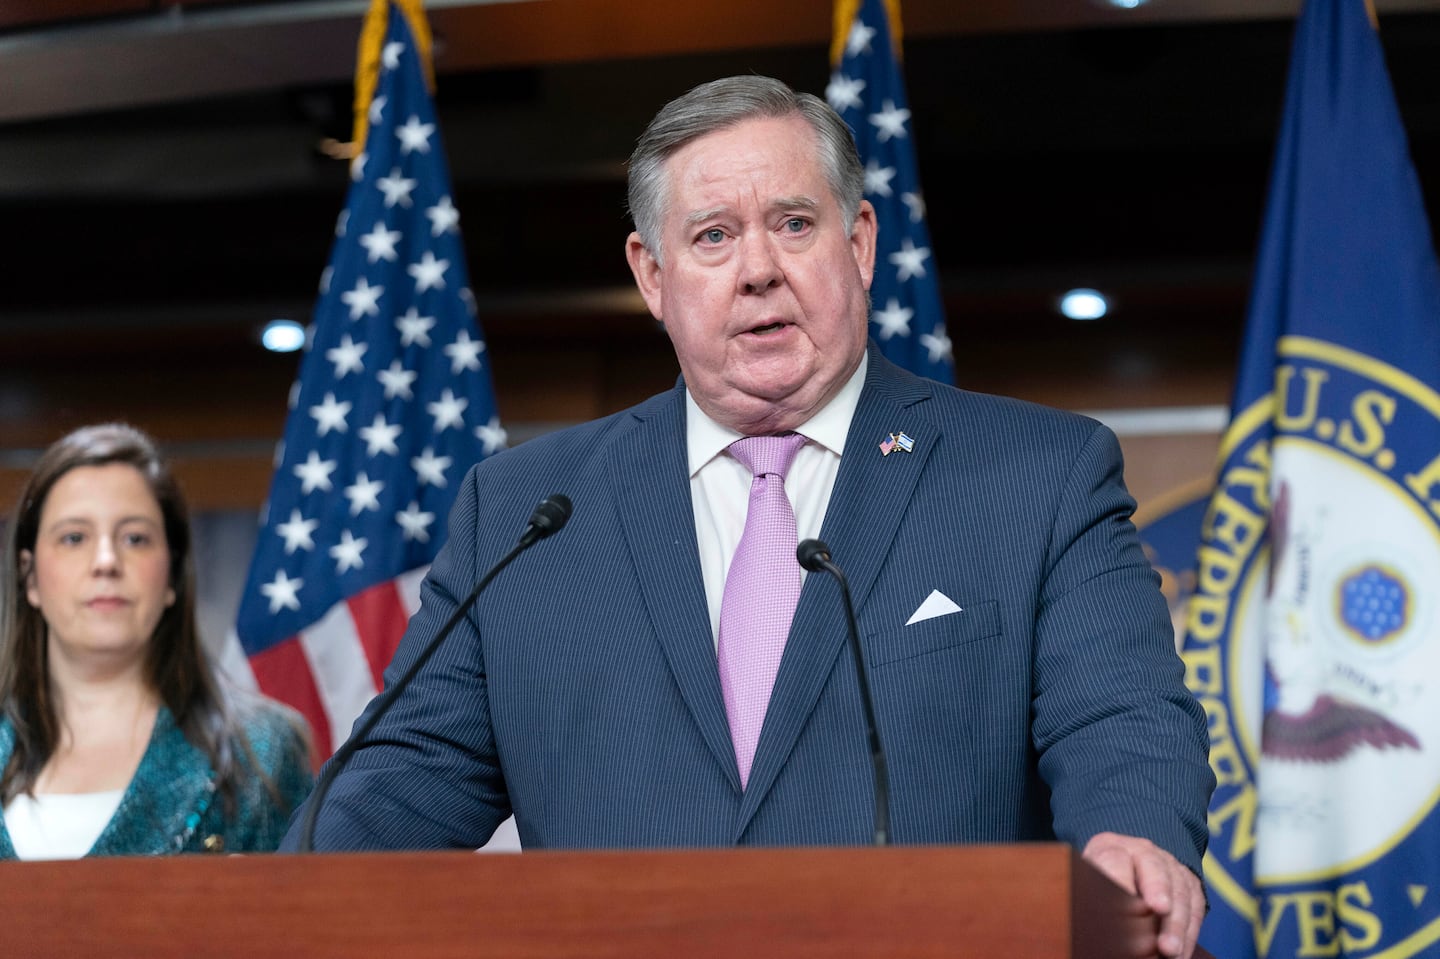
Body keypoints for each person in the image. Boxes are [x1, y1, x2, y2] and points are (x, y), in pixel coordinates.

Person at [284, 76, 1214, 957]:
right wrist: (250, 906)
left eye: (793, 224)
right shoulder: (526, 512)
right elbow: (392, 787)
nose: (759, 270)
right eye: (714, 236)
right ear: (653, 276)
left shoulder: (1038, 476)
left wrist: (1133, 838)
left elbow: (1123, 714)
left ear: (858, 243)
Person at [1, 423, 313, 858]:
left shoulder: (261, 751)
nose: (107, 561)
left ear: (171, 574)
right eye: (75, 538)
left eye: (135, 538)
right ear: (30, 576)